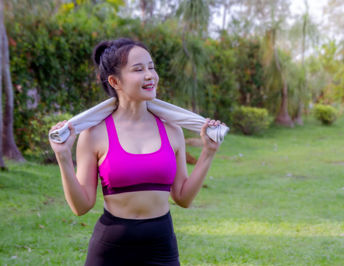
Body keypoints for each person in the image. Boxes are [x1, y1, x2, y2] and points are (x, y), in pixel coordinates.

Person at [49, 38, 225, 265]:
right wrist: (63, 157)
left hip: (161, 247)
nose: (150, 75)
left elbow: (183, 198)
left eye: (151, 67)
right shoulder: (94, 134)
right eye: (138, 69)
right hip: (111, 249)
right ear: (115, 81)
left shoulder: (172, 130)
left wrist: (208, 152)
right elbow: (81, 206)